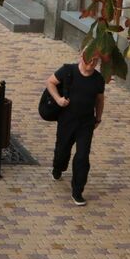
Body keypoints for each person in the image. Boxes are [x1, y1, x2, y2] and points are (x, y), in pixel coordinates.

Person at [46, 49, 106, 206]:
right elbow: (50, 82)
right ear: (82, 56)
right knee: (62, 151)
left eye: (96, 61)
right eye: (90, 60)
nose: (92, 64)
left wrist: (98, 118)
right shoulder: (68, 71)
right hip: (67, 120)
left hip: (86, 123)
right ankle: (58, 168)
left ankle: (77, 191)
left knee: (82, 156)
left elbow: (100, 100)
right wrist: (58, 99)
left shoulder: (98, 79)